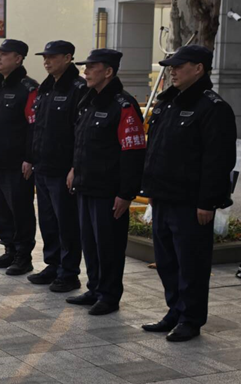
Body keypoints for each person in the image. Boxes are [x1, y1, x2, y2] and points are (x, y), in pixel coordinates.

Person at [140, 45, 237, 342]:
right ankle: (175, 310)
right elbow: (155, 150)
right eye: (171, 66)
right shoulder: (167, 103)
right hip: (163, 197)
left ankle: (191, 319)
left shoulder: (213, 107)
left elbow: (218, 161)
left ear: (198, 68)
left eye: (179, 66)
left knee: (191, 264)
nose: (172, 71)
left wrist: (208, 202)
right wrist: (151, 189)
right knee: (167, 261)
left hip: (190, 202)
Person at [65, 49, 146, 315]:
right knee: (89, 244)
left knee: (108, 246)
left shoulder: (123, 105)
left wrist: (126, 193)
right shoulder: (88, 101)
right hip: (86, 185)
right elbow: (82, 141)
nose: (85, 71)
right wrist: (75, 169)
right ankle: (95, 288)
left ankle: (109, 296)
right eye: (85, 67)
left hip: (109, 192)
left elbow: (133, 152)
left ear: (108, 71)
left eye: (92, 67)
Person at [28, 40, 87, 292]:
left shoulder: (78, 88)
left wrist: (75, 167)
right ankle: (52, 265)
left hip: (63, 170)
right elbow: (38, 127)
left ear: (68, 58)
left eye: (52, 57)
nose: (47, 61)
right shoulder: (46, 87)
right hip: (43, 166)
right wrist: (32, 158)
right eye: (45, 57)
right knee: (48, 221)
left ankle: (69, 272)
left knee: (67, 224)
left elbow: (80, 133)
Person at [0, 39, 39, 276]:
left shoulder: (29, 89)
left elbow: (34, 127)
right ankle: (9, 249)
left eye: (5, 54)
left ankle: (23, 256)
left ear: (18, 58)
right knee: (0, 209)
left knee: (20, 210)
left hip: (17, 163)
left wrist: (29, 158)